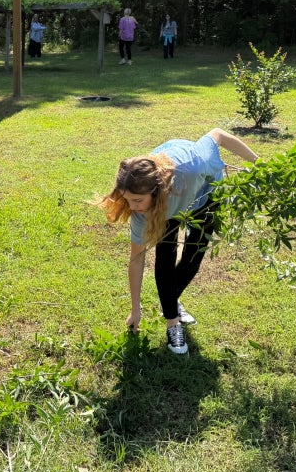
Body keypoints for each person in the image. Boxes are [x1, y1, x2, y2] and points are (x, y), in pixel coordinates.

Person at [95, 128, 258, 355]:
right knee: (166, 254)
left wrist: (258, 164)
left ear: (156, 190)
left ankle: (169, 301)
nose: (132, 208)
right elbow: (136, 259)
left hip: (206, 195)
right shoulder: (142, 209)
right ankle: (173, 322)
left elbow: (217, 135)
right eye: (128, 200)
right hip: (166, 204)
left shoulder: (195, 163)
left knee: (193, 255)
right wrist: (135, 309)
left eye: (137, 200)